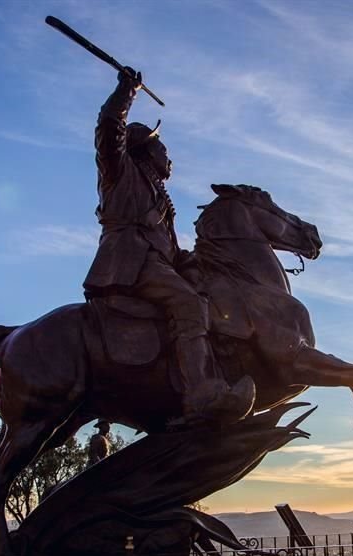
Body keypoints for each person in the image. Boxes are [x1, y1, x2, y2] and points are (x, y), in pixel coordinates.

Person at [83, 67, 254, 426]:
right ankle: (201, 393)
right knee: (188, 303)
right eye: (163, 148)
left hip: (155, 264)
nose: (169, 156)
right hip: (130, 265)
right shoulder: (120, 172)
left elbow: (171, 251)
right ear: (145, 152)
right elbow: (109, 129)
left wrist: (194, 264)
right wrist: (126, 91)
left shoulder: (159, 195)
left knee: (205, 294)